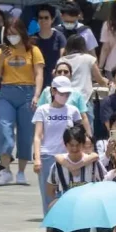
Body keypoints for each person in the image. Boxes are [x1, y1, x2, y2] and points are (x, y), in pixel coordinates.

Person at [0, 17, 45, 185]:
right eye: (9, 34)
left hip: (28, 93)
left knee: (26, 133)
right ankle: (5, 170)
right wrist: (1, 59)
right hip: (6, 92)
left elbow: (39, 74)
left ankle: (21, 171)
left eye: (14, 33)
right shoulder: (2, 51)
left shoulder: (33, 50)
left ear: (22, 32)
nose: (12, 37)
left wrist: (37, 95)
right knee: (4, 128)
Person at [32, 77, 83, 213]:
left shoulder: (73, 110)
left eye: (67, 94)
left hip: (68, 156)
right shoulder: (42, 110)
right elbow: (37, 136)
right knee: (49, 195)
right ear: (53, 91)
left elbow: (80, 135)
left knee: (69, 192)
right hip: (48, 156)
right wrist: (37, 159)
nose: (64, 97)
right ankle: (50, 229)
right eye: (62, 93)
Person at [46, 126, 103, 210]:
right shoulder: (58, 165)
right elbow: (50, 190)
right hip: (65, 207)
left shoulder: (94, 163)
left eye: (78, 145)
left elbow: (103, 184)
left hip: (89, 207)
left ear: (83, 144)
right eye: (71, 145)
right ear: (65, 145)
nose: (74, 148)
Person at [32, 5, 67, 79]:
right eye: (40, 18)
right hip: (37, 76)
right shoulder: (33, 39)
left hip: (55, 76)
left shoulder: (59, 37)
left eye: (46, 18)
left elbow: (63, 57)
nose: (43, 20)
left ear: (52, 19)